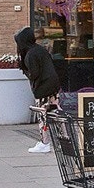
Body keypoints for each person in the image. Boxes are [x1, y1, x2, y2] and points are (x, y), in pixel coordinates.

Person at [15, 26, 60, 154]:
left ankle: (44, 142)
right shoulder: (40, 50)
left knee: (42, 114)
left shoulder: (30, 54)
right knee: (57, 111)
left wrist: (25, 71)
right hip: (53, 84)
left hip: (43, 87)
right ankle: (65, 139)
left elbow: (34, 74)